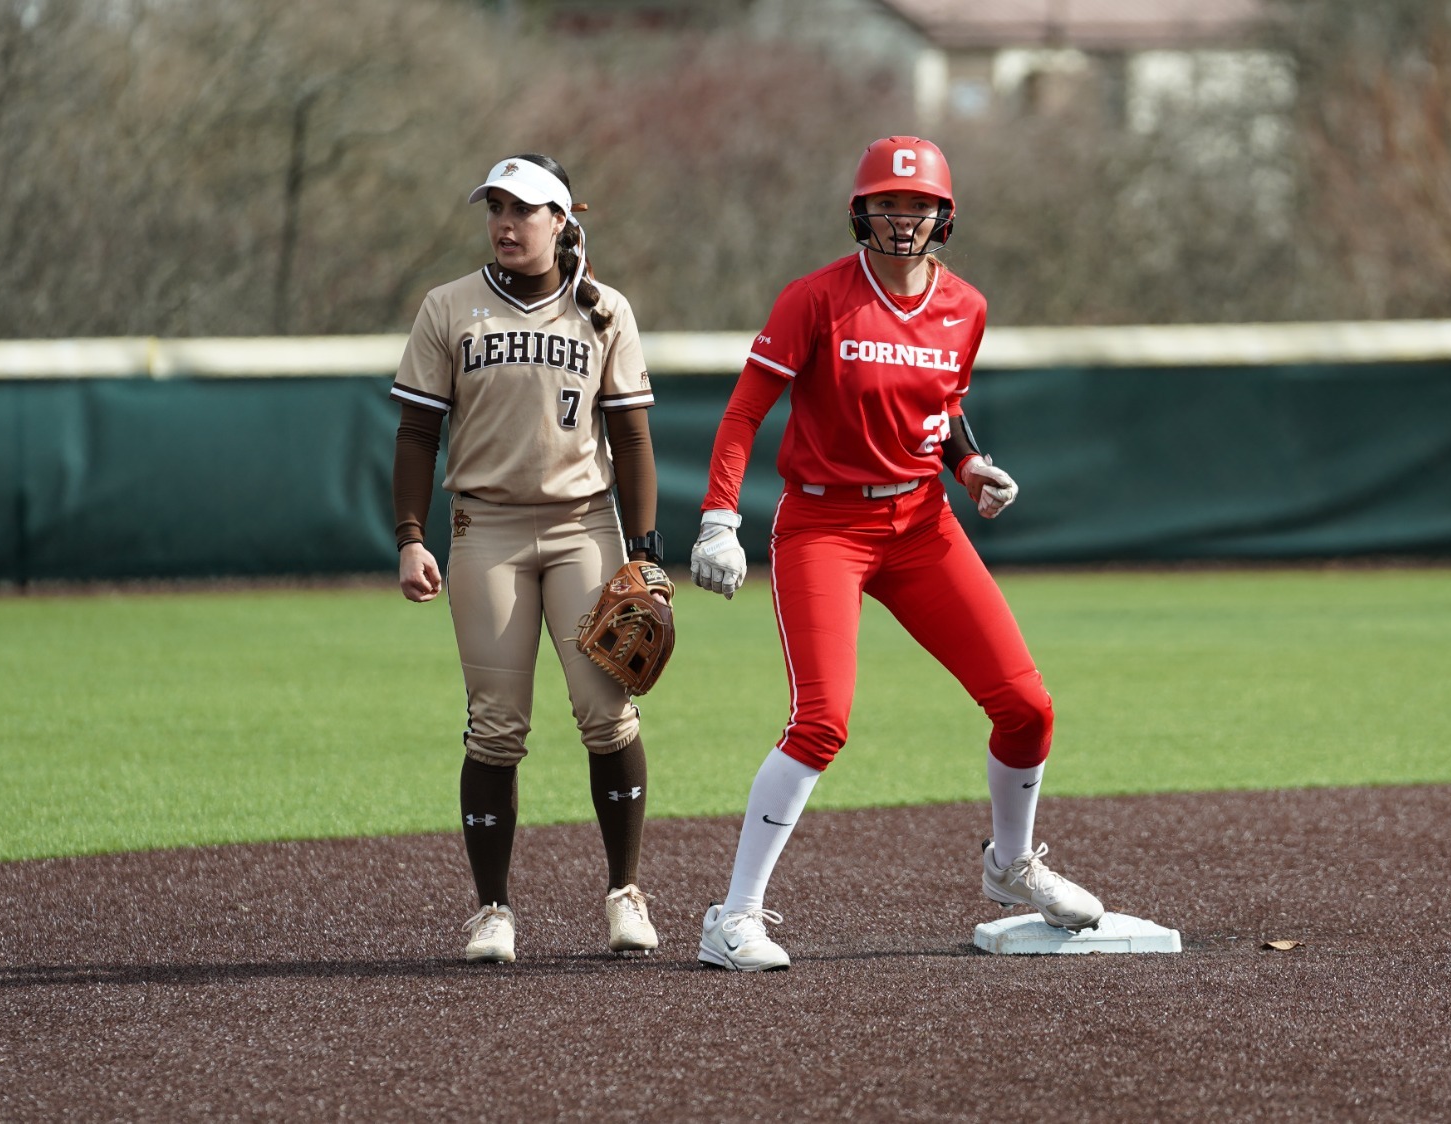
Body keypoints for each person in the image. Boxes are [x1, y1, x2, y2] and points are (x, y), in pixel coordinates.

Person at [686, 136, 1103, 972]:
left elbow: (941, 411)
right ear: (861, 211)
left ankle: (1011, 865)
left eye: (918, 204)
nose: (902, 217)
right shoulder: (814, 298)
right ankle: (733, 918)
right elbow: (742, 413)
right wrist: (719, 519)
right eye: (888, 202)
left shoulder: (966, 306)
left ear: (944, 215)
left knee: (1027, 707)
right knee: (822, 722)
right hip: (823, 525)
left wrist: (968, 466)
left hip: (921, 523)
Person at [389, 153, 664, 963]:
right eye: (496, 208)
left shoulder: (605, 310)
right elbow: (416, 433)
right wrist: (410, 536)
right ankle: (493, 911)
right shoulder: (449, 306)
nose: (506, 225)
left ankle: (625, 893)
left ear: (561, 220)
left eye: (524, 210)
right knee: (496, 726)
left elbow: (632, 436)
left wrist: (646, 554)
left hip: (586, 527)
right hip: (488, 530)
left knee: (607, 713)